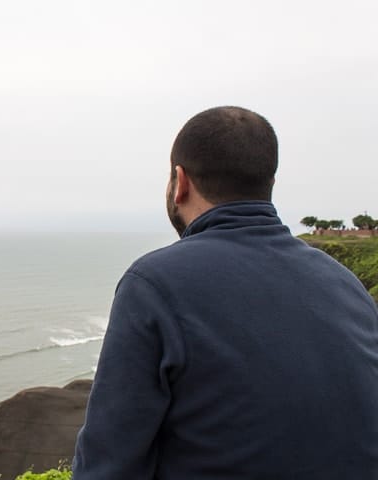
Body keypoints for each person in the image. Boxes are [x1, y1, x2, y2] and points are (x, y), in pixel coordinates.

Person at [72, 106, 378, 479]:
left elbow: (107, 466)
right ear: (269, 184)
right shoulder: (346, 284)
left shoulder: (154, 283)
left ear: (179, 182)